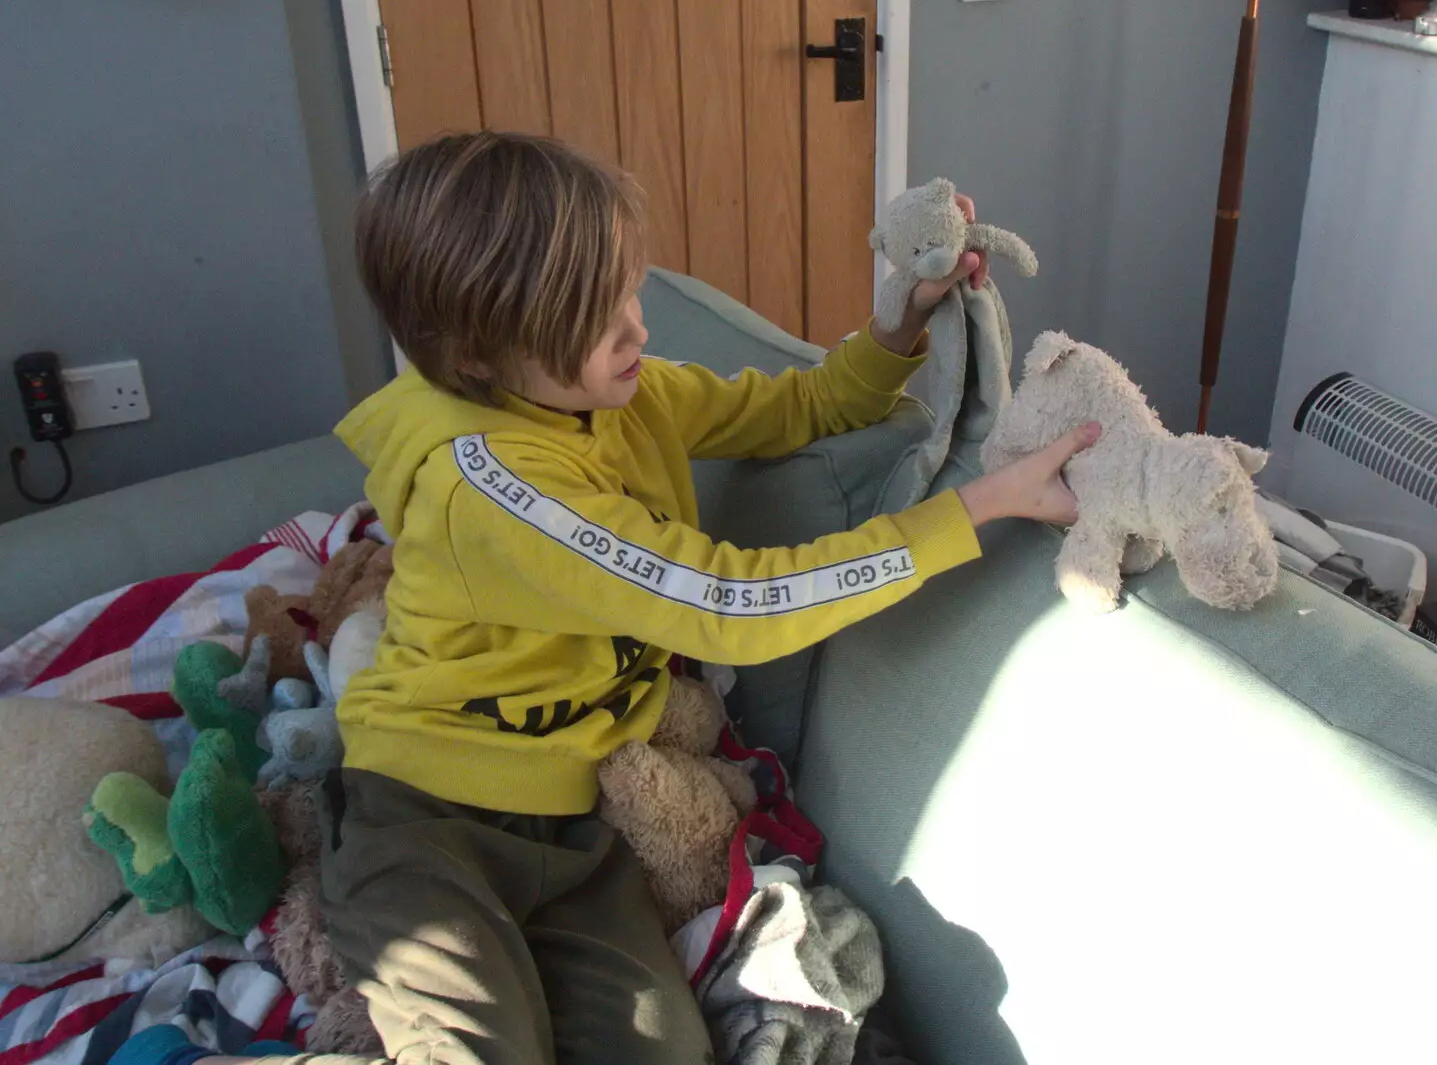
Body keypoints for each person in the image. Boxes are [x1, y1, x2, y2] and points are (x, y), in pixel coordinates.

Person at [112, 132, 1097, 1065]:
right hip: (427, 823)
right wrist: (974, 510)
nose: (635, 325)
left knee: (662, 1049)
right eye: (594, 315)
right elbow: (725, 605)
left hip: (577, 825)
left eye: (624, 289)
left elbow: (802, 407)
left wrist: (901, 319)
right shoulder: (496, 486)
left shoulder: (608, 392)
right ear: (480, 356)